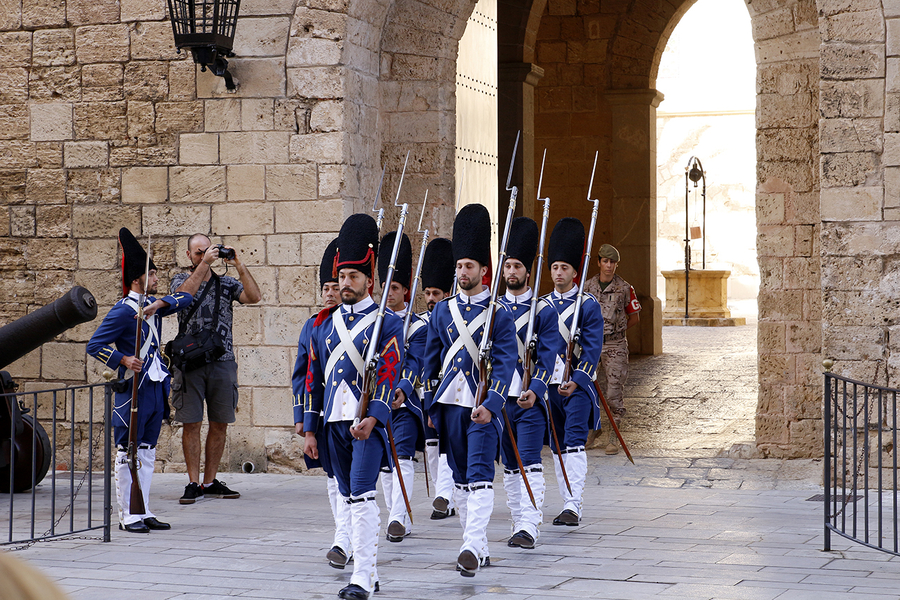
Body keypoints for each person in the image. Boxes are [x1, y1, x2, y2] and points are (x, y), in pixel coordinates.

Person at [303, 213, 405, 600]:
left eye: (354, 277)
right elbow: (314, 380)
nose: (346, 284)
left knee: (362, 495)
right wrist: (311, 429)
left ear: (369, 280)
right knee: (347, 497)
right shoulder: (322, 325)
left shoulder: (387, 323)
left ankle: (361, 576)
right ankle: (370, 572)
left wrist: (374, 415)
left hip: (368, 425)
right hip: (333, 425)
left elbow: (390, 372)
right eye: (342, 277)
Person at [422, 204, 518, 577]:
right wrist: (430, 404)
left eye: (469, 267)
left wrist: (492, 404)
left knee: (479, 474)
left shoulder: (500, 313)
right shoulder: (442, 311)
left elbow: (507, 363)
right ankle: (477, 544)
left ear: (483, 270)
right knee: (460, 478)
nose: (462, 272)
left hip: (482, 405)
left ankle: (468, 547)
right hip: (449, 405)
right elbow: (431, 363)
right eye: (459, 266)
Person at [87, 228, 193, 533]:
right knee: (128, 451)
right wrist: (122, 360)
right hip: (134, 387)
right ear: (138, 279)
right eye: (153, 275)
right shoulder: (122, 312)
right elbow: (94, 345)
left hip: (154, 387)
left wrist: (158, 305)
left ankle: (143, 509)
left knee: (147, 451)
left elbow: (185, 297)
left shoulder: (151, 308)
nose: (157, 279)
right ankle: (127, 515)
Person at [170, 234, 261, 505]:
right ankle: (192, 482)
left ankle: (209, 481)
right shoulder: (179, 279)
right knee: (192, 423)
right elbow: (184, 294)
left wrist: (238, 264)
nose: (203, 256)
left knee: (220, 423)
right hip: (191, 363)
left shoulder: (226, 283)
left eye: (206, 252)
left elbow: (254, 297)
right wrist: (203, 266)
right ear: (189, 255)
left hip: (222, 361)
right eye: (197, 253)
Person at [497, 217, 563, 549]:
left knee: (530, 460)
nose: (511, 271)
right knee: (509, 466)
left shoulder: (543, 311)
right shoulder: (493, 311)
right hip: (500, 400)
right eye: (507, 265)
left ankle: (530, 524)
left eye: (517, 266)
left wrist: (536, 391)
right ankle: (516, 520)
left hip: (530, 400)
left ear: (528, 270)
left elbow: (548, 357)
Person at [291, 238, 353, 569]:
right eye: (326, 287)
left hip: (356, 413)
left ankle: (349, 538)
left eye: (335, 286)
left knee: (356, 483)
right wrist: (303, 418)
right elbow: (303, 376)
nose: (330, 292)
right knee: (332, 478)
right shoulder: (313, 326)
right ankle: (342, 538)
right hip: (325, 414)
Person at [542, 217, 604, 527]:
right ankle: (566, 497)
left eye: (564, 268)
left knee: (574, 441)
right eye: (554, 268)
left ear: (574, 272)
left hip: (577, 387)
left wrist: (578, 380)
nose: (558, 273)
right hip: (549, 386)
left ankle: (573, 503)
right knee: (556, 445)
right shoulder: (541, 306)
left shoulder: (589, 305)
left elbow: (593, 350)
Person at [376, 231, 426, 543]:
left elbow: (415, 362)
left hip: (404, 401)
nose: (389, 293)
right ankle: (398, 511)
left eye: (395, 288)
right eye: (386, 286)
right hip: (376, 401)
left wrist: (403, 388)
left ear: (405, 290)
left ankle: (397, 515)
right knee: (384, 464)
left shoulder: (417, 325)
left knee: (403, 457)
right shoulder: (373, 322)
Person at [583, 243, 642, 455]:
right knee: (587, 388)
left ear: (617, 264)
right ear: (599, 262)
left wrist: (616, 329)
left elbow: (634, 317)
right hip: (591, 344)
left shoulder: (625, 288)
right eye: (605, 261)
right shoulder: (587, 287)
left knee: (613, 391)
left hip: (615, 344)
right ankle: (593, 429)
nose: (609, 266)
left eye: (613, 262)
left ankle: (614, 434)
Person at [418, 237, 457, 520]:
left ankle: (446, 493)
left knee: (448, 443)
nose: (431, 299)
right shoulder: (419, 322)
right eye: (427, 293)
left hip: (454, 390)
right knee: (432, 446)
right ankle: (445, 497)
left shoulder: (453, 318)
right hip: (427, 391)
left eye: (436, 293)